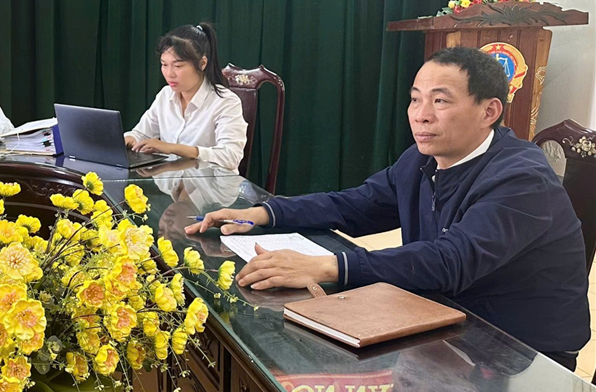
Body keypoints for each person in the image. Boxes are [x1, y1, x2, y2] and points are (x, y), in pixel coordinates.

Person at [188, 47, 590, 369]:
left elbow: (451, 261)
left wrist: (327, 266)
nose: (421, 115)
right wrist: (264, 213)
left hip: (519, 350)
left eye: (440, 101)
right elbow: (356, 205)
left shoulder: (521, 178)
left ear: (489, 112)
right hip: (441, 314)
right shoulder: (421, 159)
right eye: (415, 100)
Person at [125, 23, 248, 171]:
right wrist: (130, 139)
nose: (169, 74)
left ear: (202, 63)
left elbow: (230, 157)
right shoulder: (165, 95)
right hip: (170, 181)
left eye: (178, 66)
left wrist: (173, 148)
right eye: (164, 64)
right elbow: (142, 133)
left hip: (211, 183)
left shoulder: (225, 102)